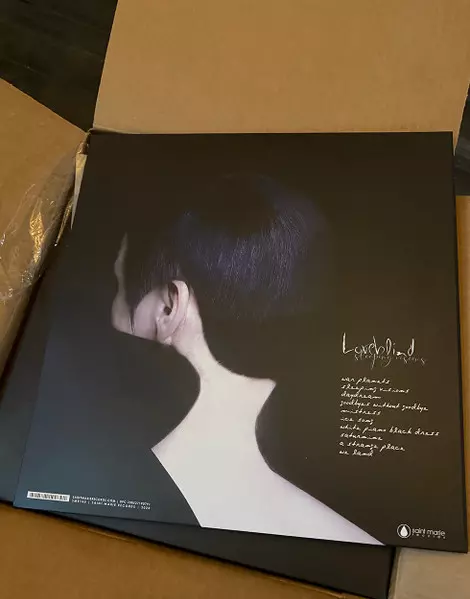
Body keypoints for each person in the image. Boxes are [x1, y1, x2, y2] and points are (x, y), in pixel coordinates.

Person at [112, 173, 377, 544]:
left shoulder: (114, 486)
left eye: (116, 288)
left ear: (169, 306)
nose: (111, 310)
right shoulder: (354, 541)